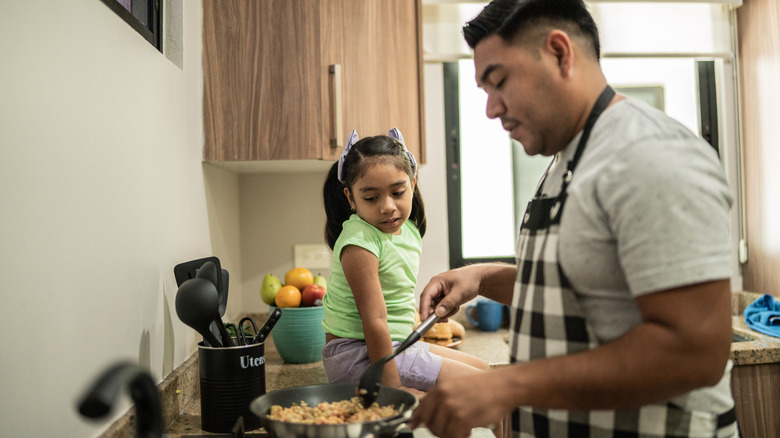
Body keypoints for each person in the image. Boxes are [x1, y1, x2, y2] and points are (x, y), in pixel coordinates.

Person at [410, 1, 737, 437]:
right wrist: (484, 279)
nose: (490, 109)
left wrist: (508, 384)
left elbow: (695, 351)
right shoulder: (569, 157)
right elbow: (587, 285)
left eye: (499, 81)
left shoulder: (649, 155)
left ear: (560, 53)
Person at [321, 128, 490, 398]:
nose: (387, 206)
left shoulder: (408, 231)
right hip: (355, 356)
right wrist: (393, 389)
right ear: (351, 198)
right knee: (483, 388)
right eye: (371, 198)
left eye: (397, 192)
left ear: (412, 184)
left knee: (486, 371)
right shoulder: (359, 241)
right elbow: (375, 320)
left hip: (391, 346)